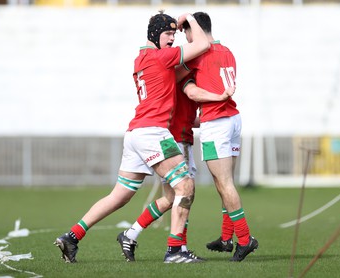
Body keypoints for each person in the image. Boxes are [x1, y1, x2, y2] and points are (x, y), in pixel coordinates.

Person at [54, 10, 210, 264]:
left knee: (119, 196)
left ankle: (72, 236)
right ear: (155, 34)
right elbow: (202, 44)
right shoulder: (163, 57)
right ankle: (175, 251)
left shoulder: (142, 58)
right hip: (154, 133)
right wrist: (189, 19)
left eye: (174, 33)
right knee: (186, 186)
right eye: (168, 34)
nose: (172, 39)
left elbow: (174, 74)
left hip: (136, 133)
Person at [117, 73, 235, 262]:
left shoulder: (173, 78)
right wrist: (220, 105)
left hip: (170, 138)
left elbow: (186, 117)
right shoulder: (184, 79)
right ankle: (177, 249)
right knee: (185, 193)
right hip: (176, 140)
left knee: (172, 198)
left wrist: (210, 121)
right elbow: (189, 102)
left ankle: (131, 234)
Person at [179, 12, 259, 262]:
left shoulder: (200, 53)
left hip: (216, 123)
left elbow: (190, 88)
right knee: (225, 182)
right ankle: (226, 238)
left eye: (186, 32)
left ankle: (245, 240)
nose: (187, 38)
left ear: (195, 30)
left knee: (225, 184)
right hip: (232, 119)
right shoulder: (227, 51)